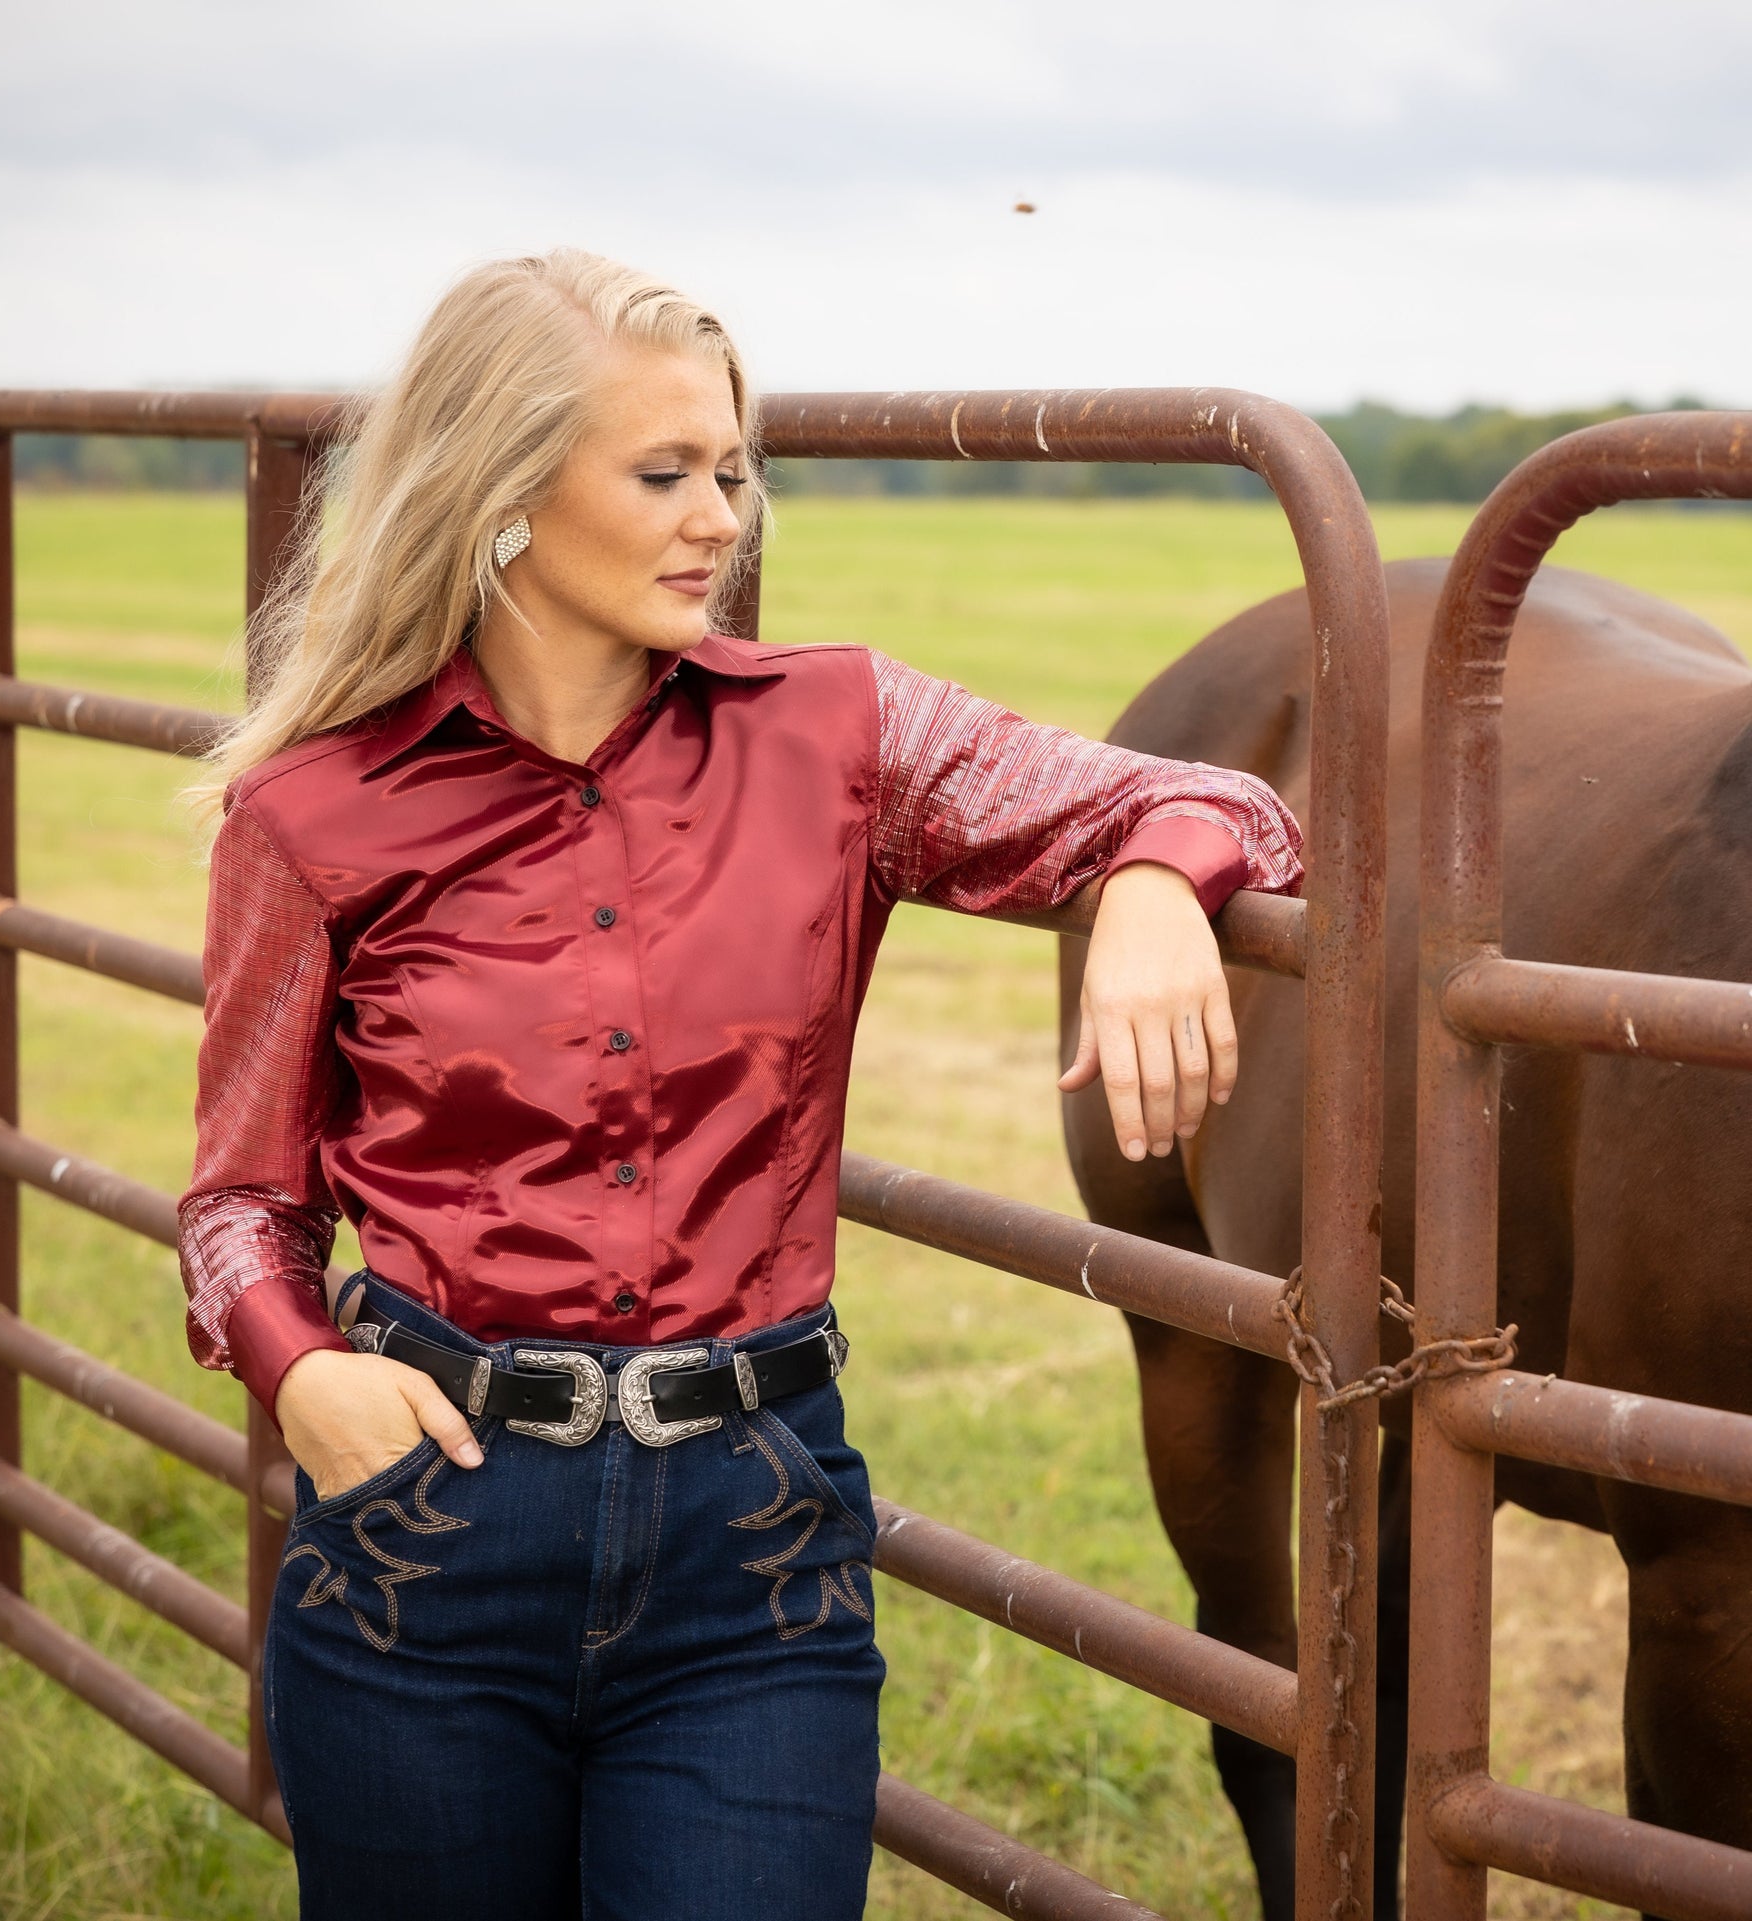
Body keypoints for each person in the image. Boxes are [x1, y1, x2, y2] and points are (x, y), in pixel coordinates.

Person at [177, 248, 1303, 1921]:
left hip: (751, 1546)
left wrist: (1150, 886)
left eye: (732, 467)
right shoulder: (316, 816)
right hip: (426, 1536)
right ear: (500, 493)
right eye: (664, 474)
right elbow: (241, 1204)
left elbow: (1216, 796)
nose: (724, 515)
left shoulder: (840, 734)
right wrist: (301, 1373)